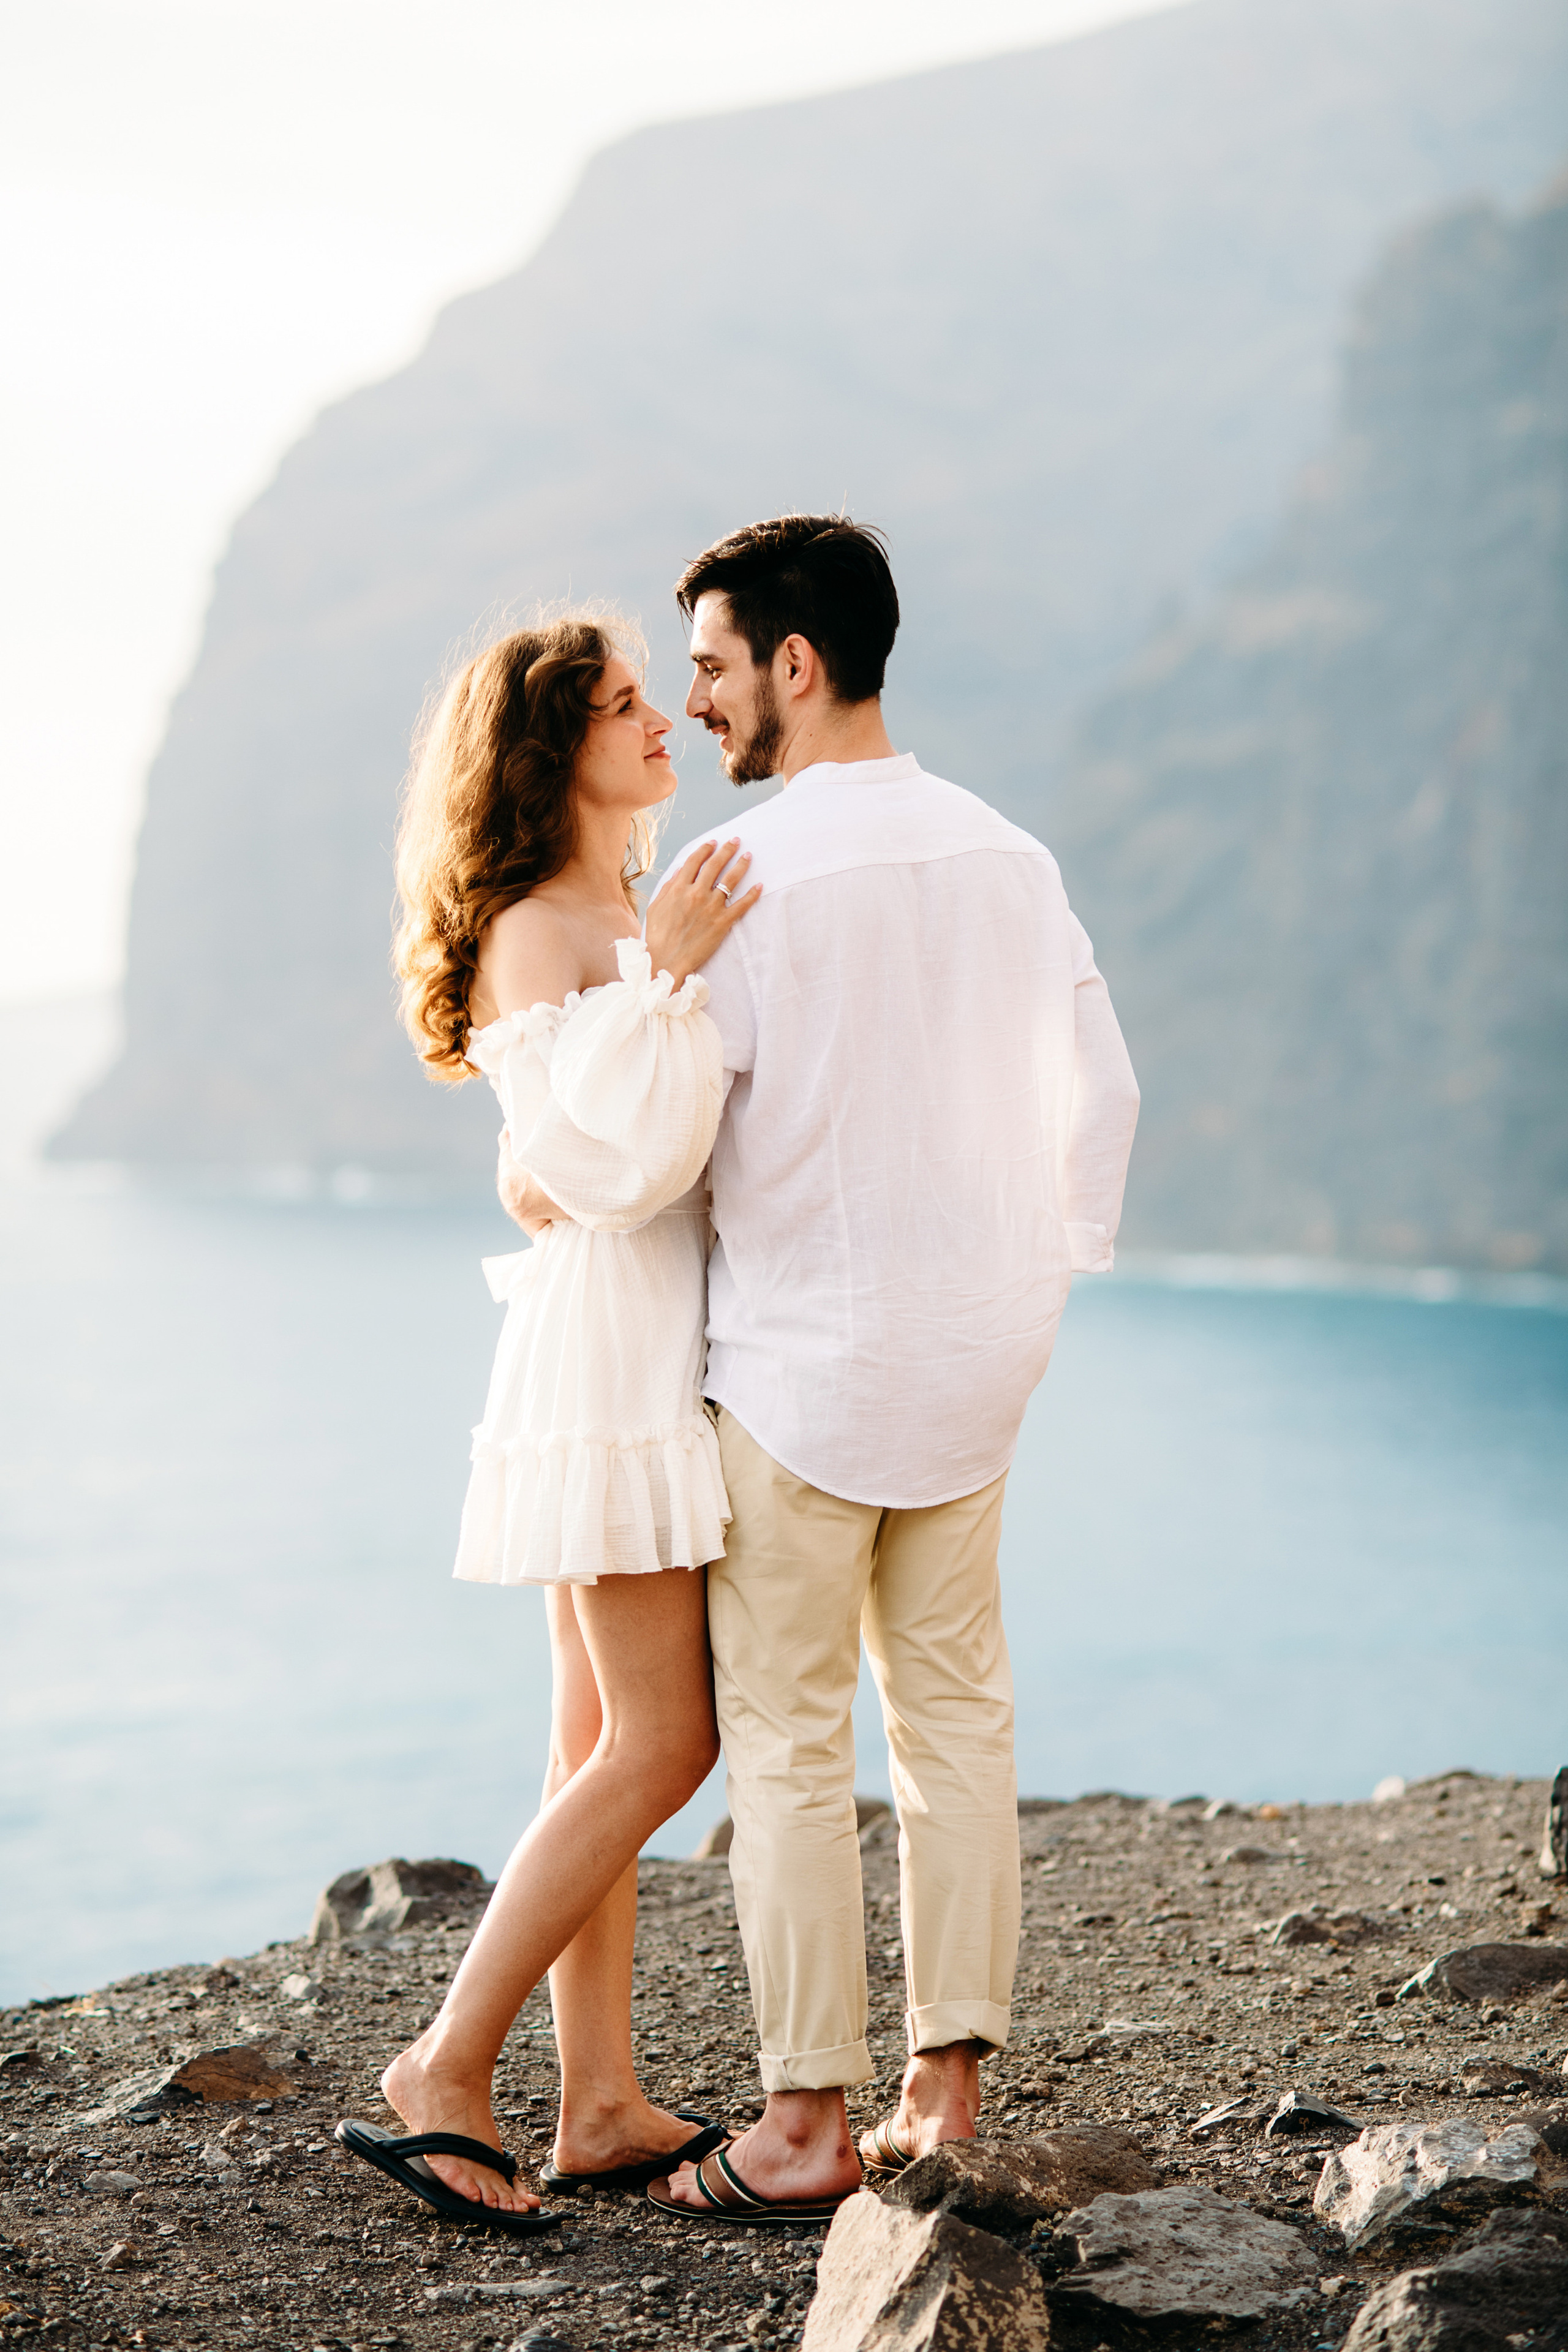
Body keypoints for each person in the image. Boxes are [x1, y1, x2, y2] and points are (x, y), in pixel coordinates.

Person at [499, 517, 1140, 2223]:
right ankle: (948, 2089)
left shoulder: (750, 880)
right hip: (977, 1368)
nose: (698, 702)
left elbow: (665, 1156)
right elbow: (1106, 1097)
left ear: (795, 663)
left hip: (799, 1379)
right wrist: (1036, 1276)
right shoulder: (1011, 855)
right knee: (955, 1723)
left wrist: (557, 1151)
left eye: (709, 667)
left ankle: (798, 2122)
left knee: (788, 1737)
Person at [338, 612, 760, 2233]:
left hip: (647, 1333)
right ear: (546, 750)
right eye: (625, 706)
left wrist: (661, 965)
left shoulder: (629, 907)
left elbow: (583, 1156)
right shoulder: (546, 923)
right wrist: (672, 974)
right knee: (671, 1742)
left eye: (660, 695)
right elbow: (608, 1164)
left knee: (595, 1744)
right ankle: (444, 2072)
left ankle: (599, 2104)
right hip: (610, 1362)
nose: (665, 719)